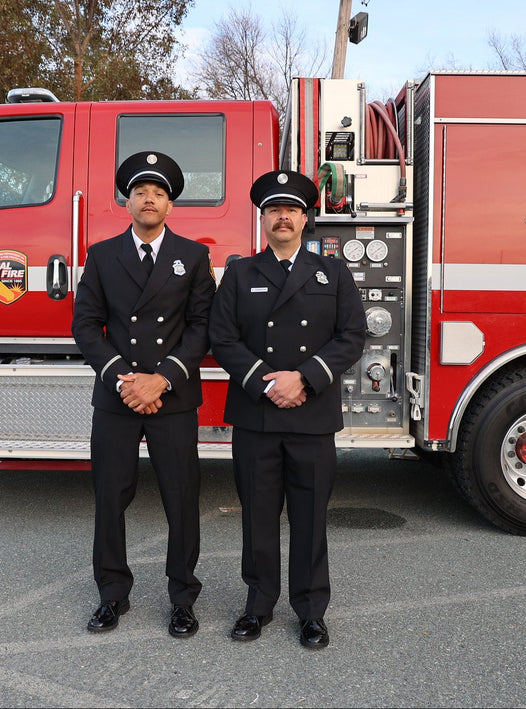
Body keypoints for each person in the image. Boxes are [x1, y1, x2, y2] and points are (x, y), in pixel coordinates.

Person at [209, 169, 366, 649]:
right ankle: (258, 605)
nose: (283, 217)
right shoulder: (239, 273)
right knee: (258, 516)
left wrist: (304, 377)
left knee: (309, 517)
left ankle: (312, 611)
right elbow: (222, 338)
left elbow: (352, 336)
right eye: (274, 209)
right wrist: (268, 381)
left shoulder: (332, 273)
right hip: (256, 414)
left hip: (311, 414)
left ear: (305, 218)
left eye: (292, 210)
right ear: (263, 219)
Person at [72, 151, 216, 638]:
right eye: (139, 192)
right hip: (118, 396)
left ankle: (183, 598)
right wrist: (124, 379)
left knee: (181, 498)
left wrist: (162, 378)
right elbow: (86, 325)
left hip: (172, 396)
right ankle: (112, 593)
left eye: (158, 193)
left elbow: (202, 327)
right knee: (110, 497)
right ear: (127, 202)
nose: (148, 199)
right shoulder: (102, 255)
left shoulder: (192, 256)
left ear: (170, 205)